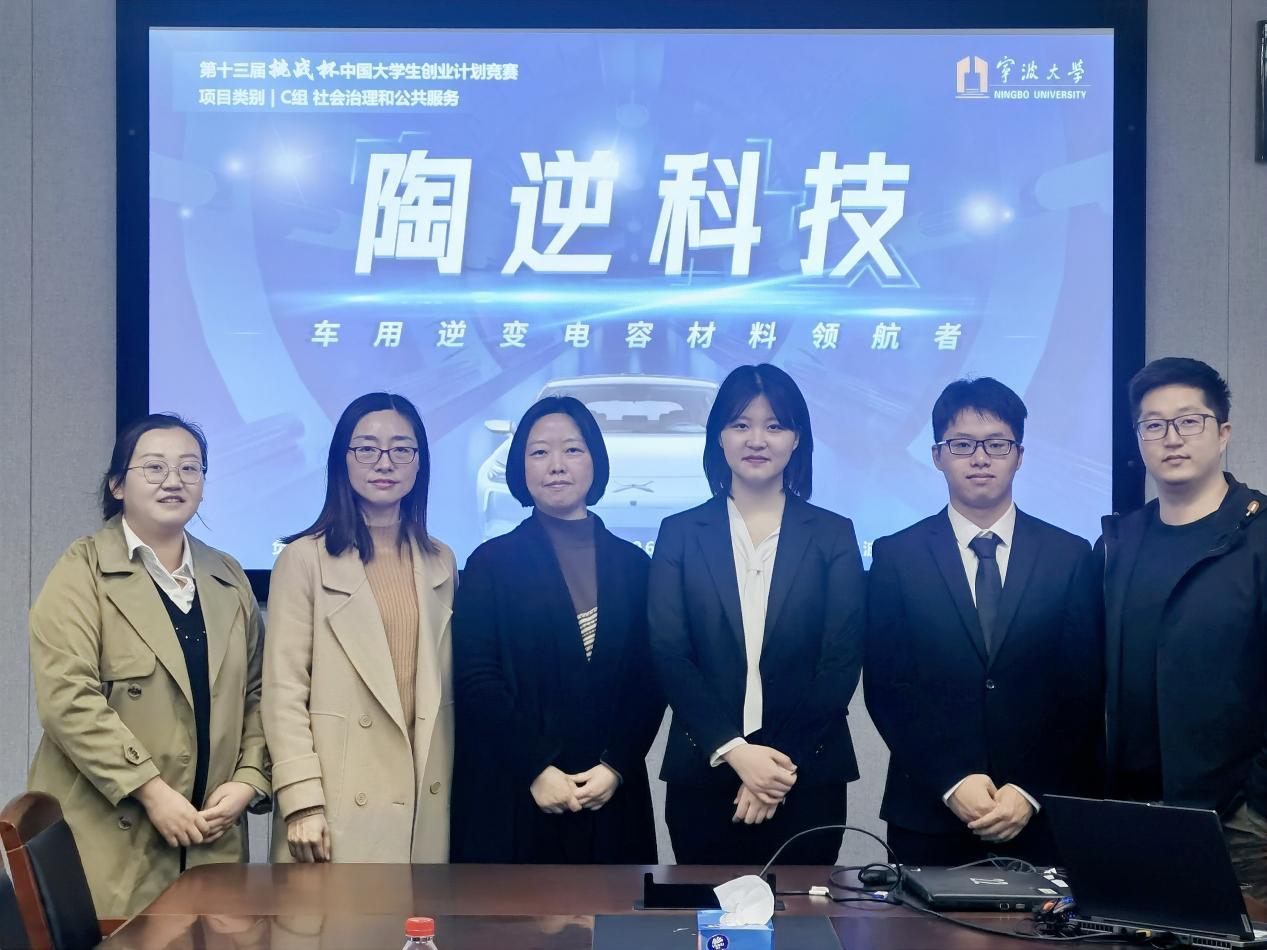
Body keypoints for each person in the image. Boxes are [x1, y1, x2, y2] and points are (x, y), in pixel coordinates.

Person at [27, 414, 268, 916]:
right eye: (154, 467)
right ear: (117, 485)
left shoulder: (228, 576)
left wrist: (247, 780)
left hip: (211, 840)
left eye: (190, 468)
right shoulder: (83, 570)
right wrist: (153, 793)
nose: (174, 480)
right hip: (113, 837)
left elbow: (259, 693)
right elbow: (67, 700)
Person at [865, 378, 1101, 866]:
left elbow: (1082, 689)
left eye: (996, 444)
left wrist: (1029, 789)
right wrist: (951, 781)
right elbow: (888, 688)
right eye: (962, 445)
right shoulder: (896, 555)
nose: (980, 458)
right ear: (937, 456)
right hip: (928, 813)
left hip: (1040, 816)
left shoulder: (1069, 555)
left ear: (1019, 455)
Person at [648, 364, 864, 865]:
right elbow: (669, 653)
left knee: (807, 913)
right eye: (741, 424)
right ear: (718, 437)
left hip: (807, 776)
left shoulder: (833, 534)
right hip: (705, 771)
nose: (757, 439)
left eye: (775, 425)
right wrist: (735, 752)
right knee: (706, 911)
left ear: (797, 439)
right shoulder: (680, 533)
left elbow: (840, 660)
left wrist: (774, 772)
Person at [450, 395, 663, 863]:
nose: (557, 465)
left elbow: (649, 679)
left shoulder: (634, 565)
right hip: (517, 794)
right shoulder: (490, 563)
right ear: (520, 467)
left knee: (618, 910)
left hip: (611, 797)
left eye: (572, 449)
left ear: (595, 461)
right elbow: (476, 678)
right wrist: (535, 767)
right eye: (539, 452)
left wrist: (616, 765)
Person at [263, 393, 457, 863]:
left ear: (419, 463)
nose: (384, 462)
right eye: (367, 448)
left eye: (401, 449)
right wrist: (302, 801)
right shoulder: (303, 559)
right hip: (335, 805)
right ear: (342, 460)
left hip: (423, 796)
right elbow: (284, 692)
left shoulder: (441, 560)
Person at [1098, 358, 1267, 898]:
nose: (1172, 438)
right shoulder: (1118, 543)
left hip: (1239, 822)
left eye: (1189, 421)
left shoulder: (1259, 536)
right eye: (1154, 425)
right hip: (1133, 812)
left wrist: (1257, 805)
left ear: (1223, 434)